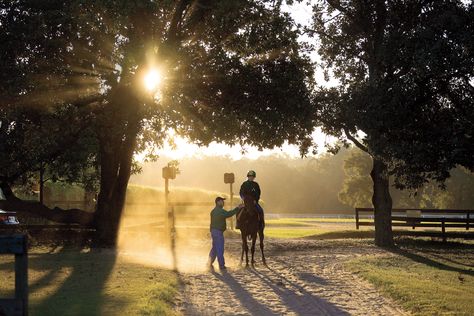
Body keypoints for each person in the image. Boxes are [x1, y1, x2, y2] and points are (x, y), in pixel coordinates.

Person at [208, 196, 244, 270]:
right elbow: (228, 214)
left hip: (213, 231)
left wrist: (211, 230)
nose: (223, 202)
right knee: (220, 249)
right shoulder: (220, 211)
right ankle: (221, 266)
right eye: (222, 201)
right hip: (218, 232)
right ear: (218, 202)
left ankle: (209, 263)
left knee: (214, 248)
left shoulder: (213, 211)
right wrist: (238, 208)